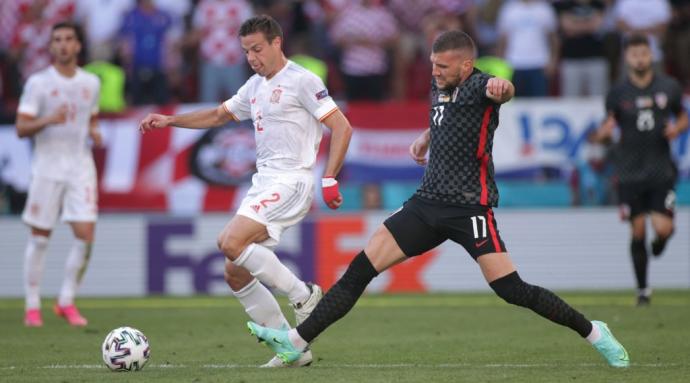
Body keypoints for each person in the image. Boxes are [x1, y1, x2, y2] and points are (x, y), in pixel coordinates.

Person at [248, 30, 630, 368]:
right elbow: (443, 116)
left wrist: (503, 87)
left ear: (467, 65)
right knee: (360, 270)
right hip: (427, 202)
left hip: (469, 207)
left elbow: (504, 90)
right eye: (433, 64)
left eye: (443, 66)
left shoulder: (483, 87)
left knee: (511, 289)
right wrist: (425, 138)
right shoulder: (440, 85)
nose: (435, 72)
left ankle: (594, 332)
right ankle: (295, 343)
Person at [139, 15, 353, 367]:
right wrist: (170, 120)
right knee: (234, 271)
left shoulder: (302, 80)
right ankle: (293, 351)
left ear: (276, 43)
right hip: (264, 183)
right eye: (246, 51)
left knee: (230, 242)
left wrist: (329, 177)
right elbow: (218, 116)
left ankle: (304, 295)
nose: (252, 58)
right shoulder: (254, 86)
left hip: (292, 180)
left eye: (257, 49)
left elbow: (341, 126)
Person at [590, 34, 688, 306]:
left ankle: (661, 243)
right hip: (629, 172)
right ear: (627, 58)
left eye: (644, 53)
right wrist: (605, 134)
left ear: (651, 55)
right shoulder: (617, 93)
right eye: (634, 54)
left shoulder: (669, 87)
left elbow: (682, 116)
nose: (640, 59)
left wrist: (677, 128)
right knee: (638, 231)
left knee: (664, 229)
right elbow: (604, 134)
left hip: (661, 170)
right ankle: (642, 291)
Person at [15, 21, 102, 327]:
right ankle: (32, 306)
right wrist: (48, 119)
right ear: (51, 46)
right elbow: (21, 128)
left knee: (86, 237)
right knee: (40, 239)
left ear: (78, 45)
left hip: (80, 167)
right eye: (57, 40)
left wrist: (95, 131)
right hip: (47, 168)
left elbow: (90, 117)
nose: (63, 44)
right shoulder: (38, 83)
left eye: (68, 39)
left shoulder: (91, 82)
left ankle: (66, 301)